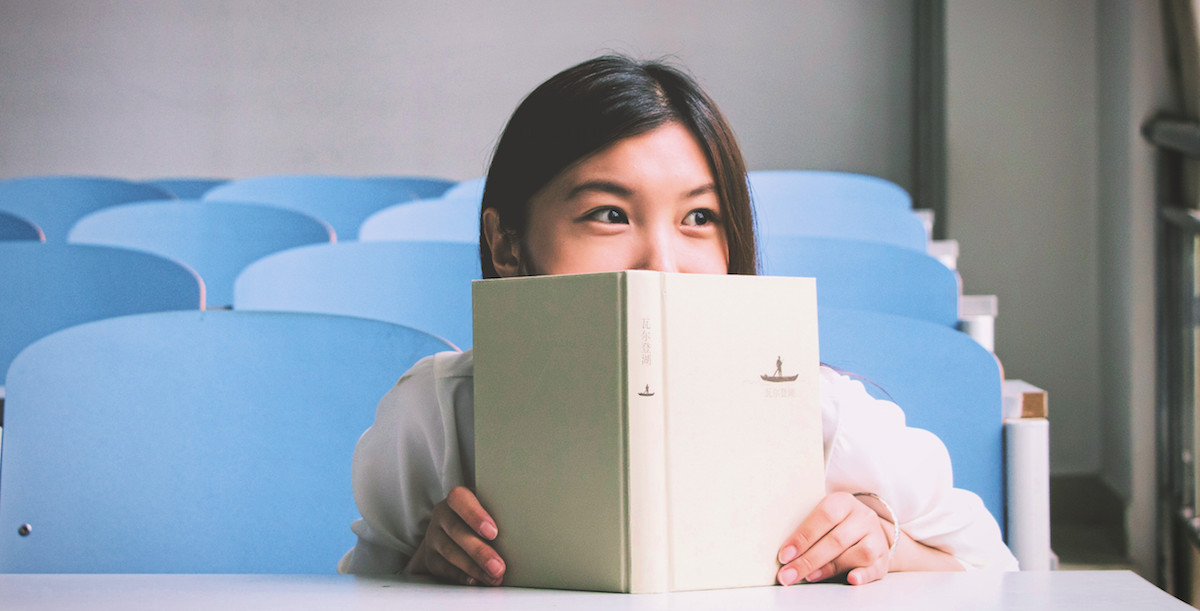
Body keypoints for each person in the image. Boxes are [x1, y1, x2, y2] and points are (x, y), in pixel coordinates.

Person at [338, 55, 1019, 587]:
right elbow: (364, 585)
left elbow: (997, 570)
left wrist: (886, 544)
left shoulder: (817, 414)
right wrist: (421, 569)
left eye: (699, 217)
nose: (662, 264)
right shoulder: (437, 415)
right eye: (609, 214)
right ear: (508, 244)